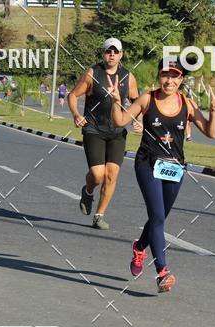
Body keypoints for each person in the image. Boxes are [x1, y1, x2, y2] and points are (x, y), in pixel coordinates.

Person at [109, 58, 215, 292]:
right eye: (164, 75)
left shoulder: (187, 104)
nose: (169, 80)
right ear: (158, 76)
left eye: (174, 76)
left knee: (158, 217)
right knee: (158, 216)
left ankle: (139, 247)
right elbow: (119, 121)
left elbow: (211, 133)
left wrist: (213, 112)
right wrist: (116, 102)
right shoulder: (147, 99)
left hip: (174, 167)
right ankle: (162, 272)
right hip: (147, 164)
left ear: (181, 79)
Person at [68, 37, 140, 230]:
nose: (112, 55)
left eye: (116, 52)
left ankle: (99, 216)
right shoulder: (93, 73)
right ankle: (88, 190)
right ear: (103, 53)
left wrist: (137, 119)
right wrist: (76, 115)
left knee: (111, 174)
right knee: (98, 175)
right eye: (109, 51)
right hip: (94, 129)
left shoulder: (127, 77)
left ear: (121, 55)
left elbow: (137, 101)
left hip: (117, 131)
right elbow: (73, 95)